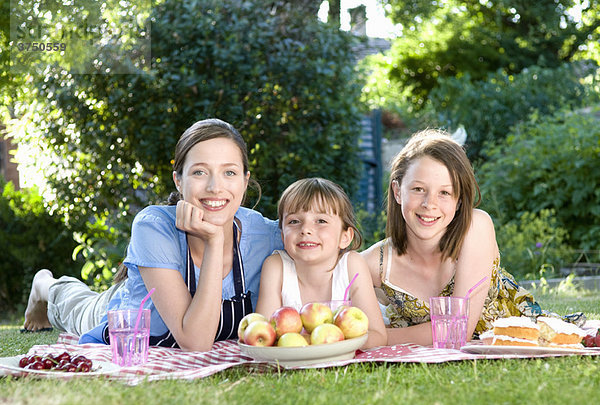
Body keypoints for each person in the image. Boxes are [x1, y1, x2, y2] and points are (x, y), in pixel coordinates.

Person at [23, 118, 283, 351]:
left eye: (229, 172)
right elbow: (196, 342)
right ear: (178, 181)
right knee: (78, 306)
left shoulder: (263, 234)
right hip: (128, 310)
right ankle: (43, 286)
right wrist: (214, 240)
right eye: (200, 172)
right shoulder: (153, 226)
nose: (215, 187)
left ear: (245, 181)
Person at [361, 129, 585, 346]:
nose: (429, 204)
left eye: (445, 192)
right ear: (398, 191)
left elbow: (457, 330)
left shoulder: (475, 226)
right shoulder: (377, 262)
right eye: (418, 189)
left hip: (517, 341)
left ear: (459, 201)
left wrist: (379, 337)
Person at [256, 178, 387, 349]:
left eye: (321, 221)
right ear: (282, 236)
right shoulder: (276, 267)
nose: (305, 229)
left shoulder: (351, 266)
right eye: (294, 221)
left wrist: (329, 344)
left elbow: (377, 336)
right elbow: (264, 336)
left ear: (345, 237)